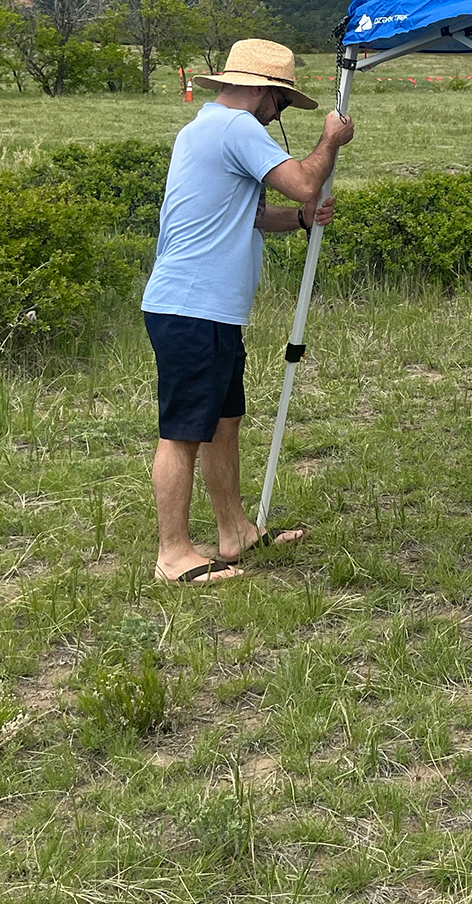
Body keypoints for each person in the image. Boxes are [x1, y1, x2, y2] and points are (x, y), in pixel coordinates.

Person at [141, 39, 354, 583]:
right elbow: (305, 181)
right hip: (193, 306)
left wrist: (303, 222)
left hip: (205, 308)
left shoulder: (206, 129)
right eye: (281, 103)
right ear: (262, 92)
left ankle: (235, 531)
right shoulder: (237, 128)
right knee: (185, 430)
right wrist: (330, 140)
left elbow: (253, 216)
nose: (278, 113)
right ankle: (173, 554)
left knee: (223, 423)